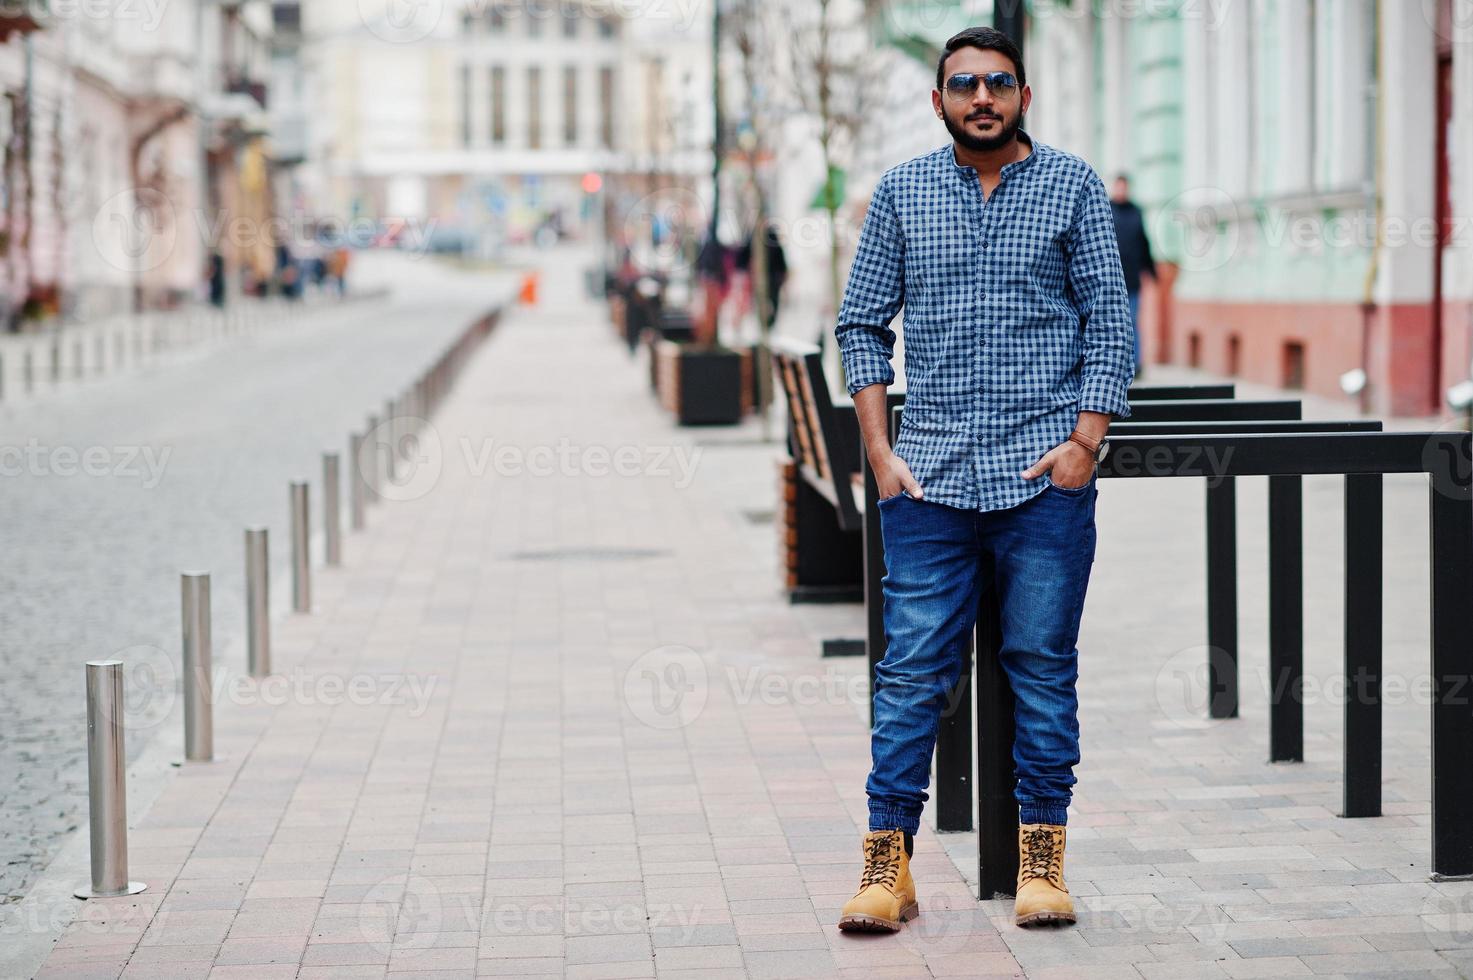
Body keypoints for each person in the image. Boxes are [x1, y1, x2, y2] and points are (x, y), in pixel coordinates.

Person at [833, 26, 1134, 933]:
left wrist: (1085, 442)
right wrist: (882, 454)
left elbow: (1108, 326)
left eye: (998, 83)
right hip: (926, 483)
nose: (981, 97)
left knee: (1041, 670)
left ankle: (1043, 862)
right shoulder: (902, 193)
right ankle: (888, 868)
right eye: (962, 84)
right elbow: (859, 326)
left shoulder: (1073, 187)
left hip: (1042, 481)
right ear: (938, 102)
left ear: (1023, 96)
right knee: (909, 674)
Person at [1110, 174, 1157, 375]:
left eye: (1124, 187)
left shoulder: (1136, 212)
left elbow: (1144, 243)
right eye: (1118, 187)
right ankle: (1114, 364)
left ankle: (1136, 364)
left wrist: (1151, 271)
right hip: (1109, 280)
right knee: (1111, 323)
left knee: (1132, 322)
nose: (1121, 190)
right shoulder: (1106, 209)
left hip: (1131, 279)